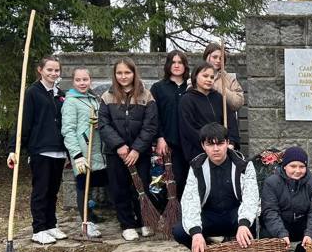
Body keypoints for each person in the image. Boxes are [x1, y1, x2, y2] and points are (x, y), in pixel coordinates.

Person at [175, 123, 260, 252]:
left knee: (254, 226)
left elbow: (251, 197)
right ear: (203, 145)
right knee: (180, 231)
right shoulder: (196, 167)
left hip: (235, 215)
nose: (216, 149)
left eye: (220, 143)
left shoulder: (244, 165)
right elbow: (190, 200)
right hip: (209, 215)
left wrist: (244, 223)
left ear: (227, 143)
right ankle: (204, 251)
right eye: (210, 144)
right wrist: (196, 233)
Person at [7, 56, 68, 245]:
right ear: (40, 70)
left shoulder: (60, 94)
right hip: (40, 150)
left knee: (53, 191)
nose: (53, 73)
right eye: (49, 69)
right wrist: (13, 149)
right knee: (41, 191)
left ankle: (51, 224)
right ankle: (39, 228)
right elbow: (23, 123)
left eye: (56, 70)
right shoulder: (32, 93)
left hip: (59, 151)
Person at [98, 58, 159, 241]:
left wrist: (136, 149)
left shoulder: (146, 96)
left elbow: (150, 126)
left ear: (134, 73)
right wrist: (119, 146)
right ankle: (127, 224)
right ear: (115, 75)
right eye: (119, 73)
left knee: (141, 188)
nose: (123, 77)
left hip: (139, 152)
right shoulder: (107, 97)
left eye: (127, 72)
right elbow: (104, 125)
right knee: (119, 188)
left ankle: (144, 221)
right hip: (116, 153)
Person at [60, 67, 105, 237]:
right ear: (73, 82)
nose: (82, 83)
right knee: (83, 185)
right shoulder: (71, 101)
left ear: (90, 80)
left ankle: (91, 215)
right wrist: (76, 155)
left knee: (93, 184)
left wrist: (99, 123)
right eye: (78, 80)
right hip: (82, 152)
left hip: (96, 150)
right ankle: (86, 222)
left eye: (85, 79)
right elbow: (68, 130)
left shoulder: (93, 99)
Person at [260, 146, 312, 252]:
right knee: (265, 234)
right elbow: (270, 211)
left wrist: (310, 233)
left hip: (303, 225)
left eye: (302, 166)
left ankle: (302, 251)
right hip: (282, 224)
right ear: (284, 166)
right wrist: (281, 233)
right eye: (293, 166)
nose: (297, 170)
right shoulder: (272, 182)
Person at [179, 62, 240, 163]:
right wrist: (210, 145)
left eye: (212, 77)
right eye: (205, 76)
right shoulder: (187, 100)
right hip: (199, 153)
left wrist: (231, 142)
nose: (209, 80)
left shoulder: (219, 98)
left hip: (222, 152)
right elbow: (189, 129)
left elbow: (231, 122)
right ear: (195, 76)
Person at [150, 50, 190, 191]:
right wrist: (160, 137)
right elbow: (154, 115)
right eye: (173, 62)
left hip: (190, 143)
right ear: (168, 65)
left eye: (180, 62)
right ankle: (171, 212)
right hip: (169, 144)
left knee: (189, 182)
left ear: (185, 65)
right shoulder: (158, 88)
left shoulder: (191, 87)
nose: (177, 65)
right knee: (172, 182)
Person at [202, 42, 245, 111]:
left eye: (221, 58)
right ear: (207, 56)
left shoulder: (229, 78)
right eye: (214, 57)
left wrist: (219, 88)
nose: (218, 60)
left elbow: (238, 103)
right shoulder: (196, 76)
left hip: (224, 120)